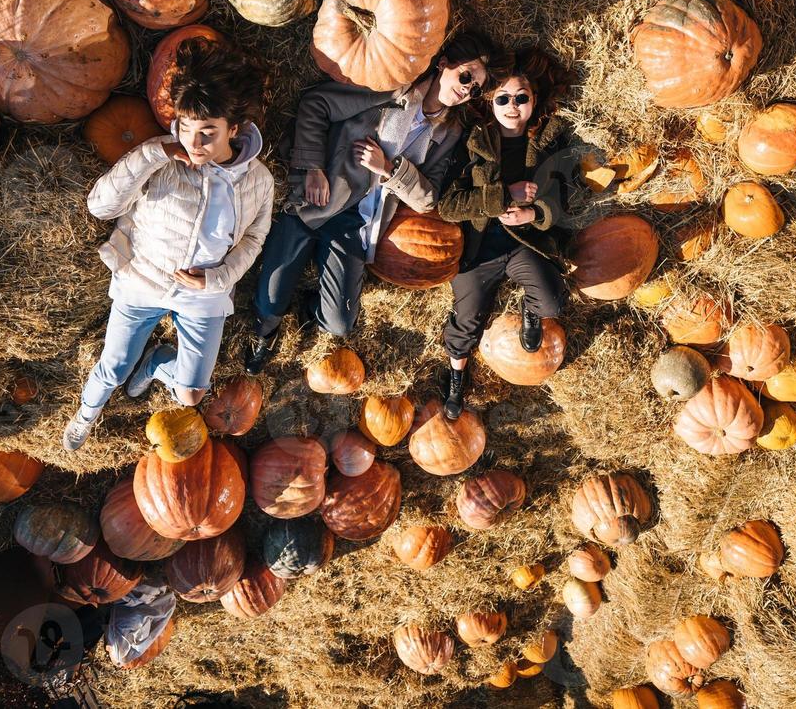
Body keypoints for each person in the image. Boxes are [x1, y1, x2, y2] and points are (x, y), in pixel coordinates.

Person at [244, 32, 502, 373]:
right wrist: (311, 167)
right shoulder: (391, 89)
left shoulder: (448, 133)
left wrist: (391, 169)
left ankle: (311, 304)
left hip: (358, 222)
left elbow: (427, 198)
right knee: (269, 304)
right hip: (317, 201)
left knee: (339, 324)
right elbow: (316, 104)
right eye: (466, 76)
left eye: (476, 88)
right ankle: (267, 329)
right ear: (444, 64)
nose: (467, 89)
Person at [64, 39, 274, 452]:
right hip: (143, 280)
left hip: (203, 293)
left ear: (234, 129)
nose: (194, 142)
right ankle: (85, 415)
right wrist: (151, 154)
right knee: (115, 368)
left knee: (191, 395)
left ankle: (161, 362)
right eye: (186, 127)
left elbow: (254, 237)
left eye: (208, 133)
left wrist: (220, 277)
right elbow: (100, 206)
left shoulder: (259, 181)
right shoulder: (160, 161)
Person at [436, 45, 573, 420]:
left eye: (521, 98)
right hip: (479, 249)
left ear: (534, 100)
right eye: (503, 98)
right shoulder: (472, 142)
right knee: (466, 323)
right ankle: (456, 376)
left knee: (551, 304)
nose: (513, 105)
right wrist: (501, 198)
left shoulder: (548, 140)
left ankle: (529, 308)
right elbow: (448, 205)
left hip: (523, 242)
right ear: (490, 103)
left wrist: (532, 212)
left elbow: (562, 196)